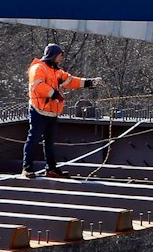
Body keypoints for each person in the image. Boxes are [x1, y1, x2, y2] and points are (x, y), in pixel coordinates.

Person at [24, 43, 100, 178]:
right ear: (52, 55)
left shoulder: (56, 71)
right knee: (33, 139)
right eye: (59, 56)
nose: (61, 58)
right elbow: (38, 86)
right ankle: (27, 168)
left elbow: (70, 81)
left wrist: (89, 83)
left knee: (49, 142)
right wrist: (54, 94)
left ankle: (51, 169)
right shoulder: (38, 68)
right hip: (38, 110)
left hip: (52, 112)